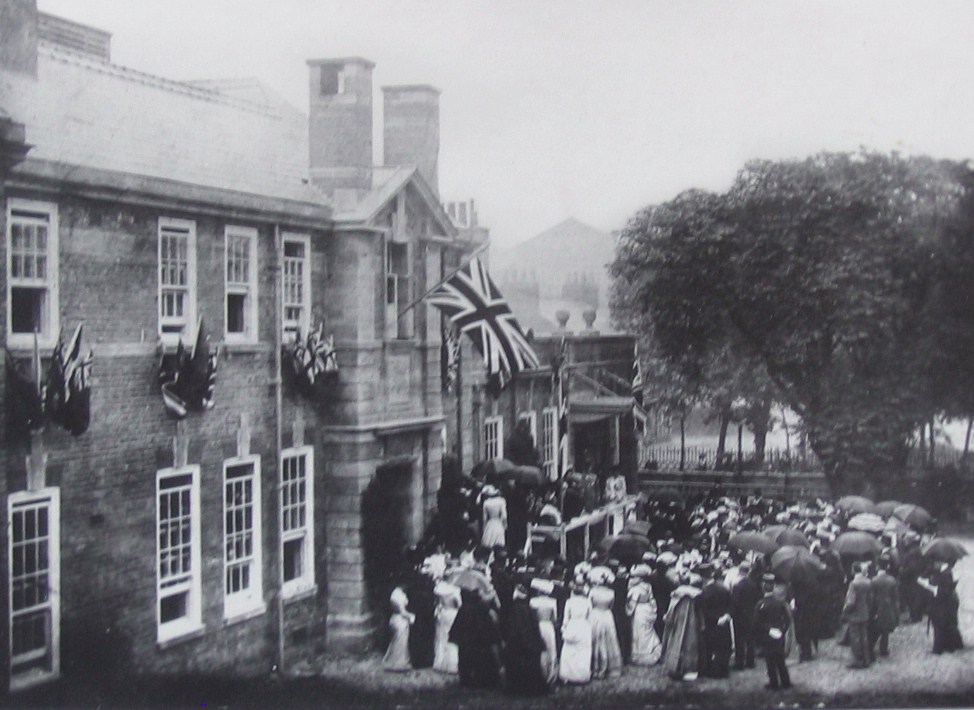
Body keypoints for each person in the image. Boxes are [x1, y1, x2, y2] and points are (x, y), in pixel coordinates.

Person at [501, 584, 548, 696]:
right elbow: (535, 627)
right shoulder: (530, 610)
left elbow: (508, 627)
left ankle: (515, 687)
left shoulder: (511, 609)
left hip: (515, 641)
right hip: (529, 641)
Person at [660, 573, 703, 681]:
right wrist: (701, 622)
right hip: (692, 620)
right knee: (690, 643)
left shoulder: (676, 594)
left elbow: (671, 609)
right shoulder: (695, 594)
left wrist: (668, 619)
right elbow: (699, 610)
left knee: (677, 642)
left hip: (679, 620)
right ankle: (690, 668)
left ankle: (676, 667)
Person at [753, 574, 792, 690]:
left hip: (767, 636)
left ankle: (773, 682)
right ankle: (786, 681)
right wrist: (782, 630)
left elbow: (756, 623)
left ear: (763, 586)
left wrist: (768, 630)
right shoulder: (780, 603)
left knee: (770, 660)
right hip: (779, 635)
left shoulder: (760, 604)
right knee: (780, 659)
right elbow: (787, 619)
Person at [696, 563, 733, 679]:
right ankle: (724, 670)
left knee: (711, 647)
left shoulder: (704, 593)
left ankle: (713, 670)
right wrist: (726, 615)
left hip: (712, 623)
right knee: (724, 646)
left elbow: (705, 611)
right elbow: (731, 604)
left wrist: (717, 619)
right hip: (724, 621)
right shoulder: (723, 589)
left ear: (702, 577)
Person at [589, 568, 624, 679]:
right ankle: (609, 666)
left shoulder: (592, 592)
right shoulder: (611, 593)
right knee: (609, 639)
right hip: (607, 615)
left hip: (595, 615)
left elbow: (590, 606)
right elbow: (611, 606)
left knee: (596, 639)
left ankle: (595, 666)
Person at [921, 564, 964, 655]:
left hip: (943, 603)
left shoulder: (946, 574)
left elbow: (945, 590)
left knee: (939, 624)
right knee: (949, 623)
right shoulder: (946, 571)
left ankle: (938, 648)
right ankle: (952, 645)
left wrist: (930, 587)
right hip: (949, 602)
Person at [627, 564, 663, 665]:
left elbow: (632, 603)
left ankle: (642, 654)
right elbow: (652, 599)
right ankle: (651, 650)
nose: (633, 579)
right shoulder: (648, 586)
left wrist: (629, 611)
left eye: (634, 577)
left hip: (640, 610)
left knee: (640, 631)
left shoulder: (635, 589)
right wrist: (653, 610)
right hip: (648, 609)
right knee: (647, 630)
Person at [560, 580, 594, 684]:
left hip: (572, 625)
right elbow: (590, 617)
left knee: (570, 651)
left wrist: (563, 628)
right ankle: (582, 675)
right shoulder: (587, 602)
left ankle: (568, 675)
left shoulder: (569, 602)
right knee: (583, 651)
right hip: (584, 626)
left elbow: (566, 618)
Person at [842, 561, 873, 669]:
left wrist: (845, 611)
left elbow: (851, 601)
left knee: (855, 638)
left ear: (853, 570)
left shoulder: (853, 583)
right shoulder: (868, 582)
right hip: (864, 612)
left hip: (855, 614)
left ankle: (857, 660)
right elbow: (870, 599)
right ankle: (866, 659)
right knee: (864, 637)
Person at [730, 562, 761, 669]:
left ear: (740, 571)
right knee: (750, 639)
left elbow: (734, 602)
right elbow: (757, 600)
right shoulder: (753, 585)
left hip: (739, 616)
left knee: (739, 640)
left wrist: (732, 614)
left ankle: (739, 662)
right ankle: (750, 661)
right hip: (751, 615)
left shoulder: (737, 586)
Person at [869, 557, 899, 658]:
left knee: (874, 629)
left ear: (877, 567)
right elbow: (895, 598)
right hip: (888, 607)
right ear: (888, 567)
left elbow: (871, 597)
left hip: (876, 607)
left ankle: (870, 647)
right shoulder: (892, 580)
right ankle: (883, 649)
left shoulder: (874, 580)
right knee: (885, 631)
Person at [529, 586, 559, 685]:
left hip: (537, 626)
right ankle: (551, 675)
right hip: (548, 625)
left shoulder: (533, 601)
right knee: (551, 649)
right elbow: (554, 618)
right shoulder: (552, 601)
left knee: (538, 650)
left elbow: (531, 616)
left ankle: (539, 674)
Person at [432, 576, 461, 673]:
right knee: (452, 637)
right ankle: (451, 664)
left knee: (441, 637)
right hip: (452, 613)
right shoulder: (455, 591)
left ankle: (439, 662)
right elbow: (458, 604)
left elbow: (437, 602)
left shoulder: (439, 589)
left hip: (442, 613)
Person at [383, 586, 415, 672]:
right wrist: (411, 617)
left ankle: (394, 661)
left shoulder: (395, 593)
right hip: (400, 620)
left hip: (394, 619)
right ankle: (398, 664)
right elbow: (402, 612)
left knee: (396, 641)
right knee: (400, 642)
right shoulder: (398, 595)